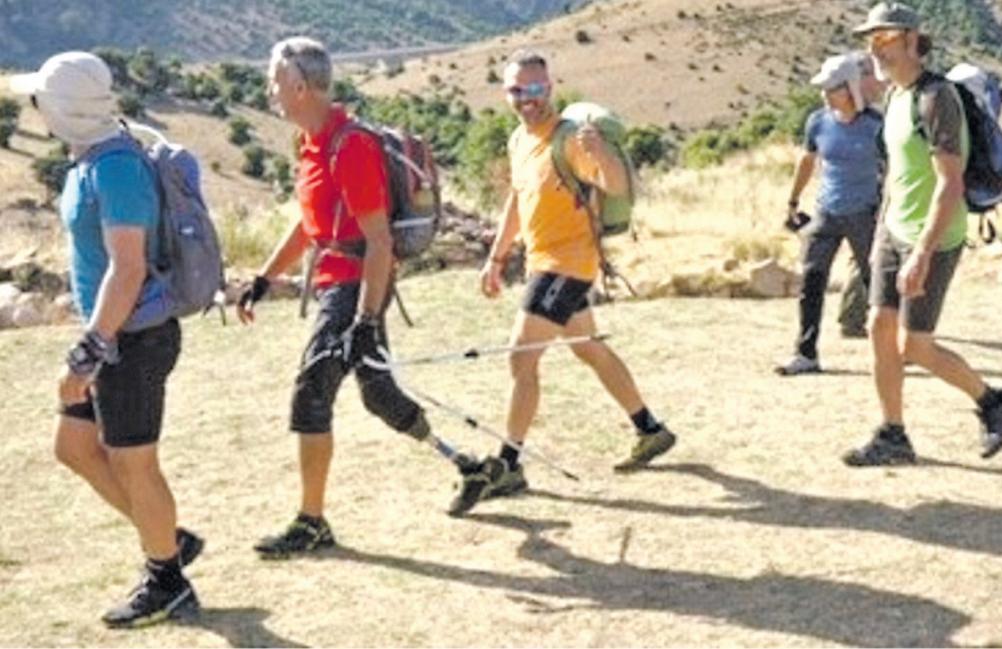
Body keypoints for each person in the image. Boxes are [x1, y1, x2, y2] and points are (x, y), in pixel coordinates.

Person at [238, 37, 463, 556]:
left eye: (275, 81)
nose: (270, 90)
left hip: (354, 288)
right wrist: (264, 278)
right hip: (340, 286)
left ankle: (311, 521)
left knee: (311, 394)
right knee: (379, 396)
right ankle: (471, 466)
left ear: (298, 85)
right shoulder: (313, 143)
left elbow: (379, 241)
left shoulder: (350, 145)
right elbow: (311, 225)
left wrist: (363, 318)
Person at [10, 52, 202, 627]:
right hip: (115, 335)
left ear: (63, 109)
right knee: (72, 448)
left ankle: (166, 578)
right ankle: (166, 537)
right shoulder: (90, 161)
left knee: (133, 462)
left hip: (132, 339)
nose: (35, 108)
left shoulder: (116, 168)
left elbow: (128, 269)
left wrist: (88, 351)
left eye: (41, 100)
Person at [448, 50, 675, 516]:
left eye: (535, 89)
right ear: (507, 92)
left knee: (520, 357)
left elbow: (616, 186)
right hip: (540, 262)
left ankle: (509, 463)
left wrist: (602, 153)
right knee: (587, 347)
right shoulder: (519, 140)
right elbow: (517, 199)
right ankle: (650, 429)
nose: (526, 98)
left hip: (568, 264)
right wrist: (496, 257)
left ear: (549, 89)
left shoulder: (571, 140)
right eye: (517, 90)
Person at [844, 2, 1002, 465]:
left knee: (914, 346)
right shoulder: (895, 97)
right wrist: (884, 227)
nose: (874, 49)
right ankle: (893, 434)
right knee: (878, 329)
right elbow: (898, 173)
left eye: (882, 39)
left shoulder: (937, 97)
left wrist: (920, 253)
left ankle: (992, 400)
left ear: (910, 40)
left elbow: (950, 183)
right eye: (869, 41)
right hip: (894, 229)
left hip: (933, 238)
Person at [776, 52, 885, 375]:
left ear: (850, 88)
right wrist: (793, 201)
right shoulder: (817, 122)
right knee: (811, 281)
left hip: (865, 214)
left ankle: (893, 350)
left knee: (876, 284)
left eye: (831, 87)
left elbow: (894, 169)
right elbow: (807, 161)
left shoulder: (876, 126)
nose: (824, 94)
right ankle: (806, 354)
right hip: (826, 212)